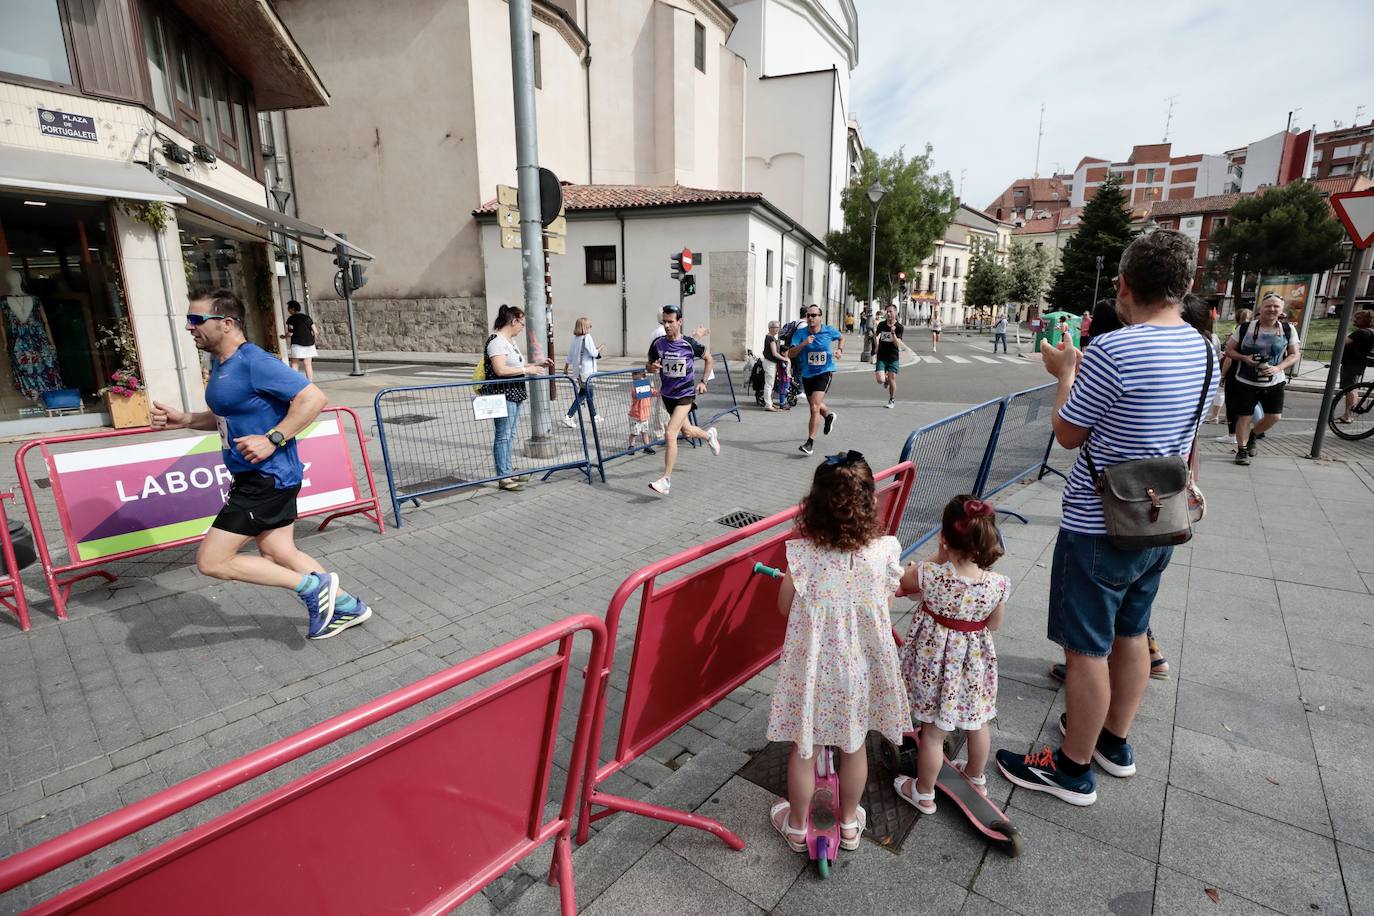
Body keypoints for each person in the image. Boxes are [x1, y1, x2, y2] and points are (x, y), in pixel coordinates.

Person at [995, 230, 1216, 806]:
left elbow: (1068, 433)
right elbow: (1187, 433)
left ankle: (1070, 770)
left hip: (1100, 522)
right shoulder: (1206, 350)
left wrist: (1064, 369)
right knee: (1134, 631)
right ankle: (1113, 742)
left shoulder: (1114, 351)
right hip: (1160, 517)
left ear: (1122, 284)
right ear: (1186, 286)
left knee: (1086, 650)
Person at [150, 288, 370, 641]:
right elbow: (226, 416)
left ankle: (313, 590)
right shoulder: (221, 364)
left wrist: (273, 439)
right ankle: (347, 607)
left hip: (267, 477)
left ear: (226, 323)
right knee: (278, 550)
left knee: (213, 561)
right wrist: (185, 419)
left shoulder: (254, 361)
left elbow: (313, 397)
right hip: (260, 476)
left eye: (196, 320)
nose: (190, 327)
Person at [767, 451, 910, 853]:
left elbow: (783, 607)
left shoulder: (803, 555)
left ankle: (796, 827)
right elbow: (887, 599)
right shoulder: (884, 551)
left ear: (815, 506)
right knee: (854, 745)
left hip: (813, 671)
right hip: (861, 668)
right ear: (869, 503)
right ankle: (848, 825)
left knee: (804, 748)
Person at [894, 496, 1007, 813]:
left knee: (932, 732)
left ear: (944, 538)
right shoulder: (997, 584)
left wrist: (938, 554)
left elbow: (903, 580)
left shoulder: (930, 573)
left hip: (934, 667)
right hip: (972, 667)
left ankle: (923, 791)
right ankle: (975, 776)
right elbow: (995, 623)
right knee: (977, 721)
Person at [646, 305, 719, 495]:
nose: (667, 325)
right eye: (665, 322)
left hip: (685, 395)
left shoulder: (689, 344)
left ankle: (666, 480)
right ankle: (709, 435)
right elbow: (649, 363)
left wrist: (703, 381)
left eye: (671, 322)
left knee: (670, 434)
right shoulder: (658, 344)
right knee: (687, 431)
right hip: (668, 395)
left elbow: (709, 359)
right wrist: (651, 367)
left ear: (680, 322)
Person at [1225, 292, 1301, 465]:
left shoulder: (1288, 329)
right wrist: (1244, 358)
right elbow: (1229, 350)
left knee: (1274, 416)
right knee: (1244, 416)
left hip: (1274, 380)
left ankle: (1253, 435)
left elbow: (1295, 354)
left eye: (1276, 306)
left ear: (1281, 310)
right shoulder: (1245, 328)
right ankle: (1242, 450)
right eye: (1268, 305)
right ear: (1261, 308)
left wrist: (1278, 368)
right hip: (1245, 380)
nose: (1272, 309)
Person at [483, 305, 551, 492]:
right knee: (503, 435)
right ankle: (503, 476)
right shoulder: (497, 342)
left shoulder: (509, 342)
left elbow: (517, 365)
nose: (522, 327)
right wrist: (525, 370)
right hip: (502, 394)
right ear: (513, 321)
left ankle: (507, 470)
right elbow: (500, 369)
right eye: (521, 323)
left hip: (514, 393)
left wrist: (536, 364)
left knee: (509, 435)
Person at [786, 305, 843, 455]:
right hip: (807, 374)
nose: (810, 318)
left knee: (814, 407)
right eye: (808, 315)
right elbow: (790, 354)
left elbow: (841, 337)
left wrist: (839, 349)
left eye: (813, 315)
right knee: (814, 404)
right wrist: (804, 343)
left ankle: (810, 443)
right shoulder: (801, 333)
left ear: (820, 317)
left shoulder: (828, 330)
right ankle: (828, 416)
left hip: (825, 371)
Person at [1215, 307, 1252, 447]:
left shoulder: (1238, 332)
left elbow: (1229, 358)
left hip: (1234, 372)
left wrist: (1223, 375)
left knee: (1231, 405)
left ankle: (1232, 435)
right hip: (1246, 373)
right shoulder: (1253, 332)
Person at [561, 316, 602, 429]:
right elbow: (593, 353)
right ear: (585, 327)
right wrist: (599, 349)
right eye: (589, 325)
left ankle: (594, 415)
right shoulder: (587, 337)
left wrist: (565, 368)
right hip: (587, 372)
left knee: (589, 393)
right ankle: (569, 416)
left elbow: (570, 356)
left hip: (579, 371)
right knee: (583, 394)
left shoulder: (576, 339)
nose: (591, 327)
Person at [1337, 310, 1374, 424]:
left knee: (1350, 389)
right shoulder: (1371, 332)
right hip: (1359, 363)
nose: (1354, 320)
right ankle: (1350, 413)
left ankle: (1348, 415)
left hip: (1351, 363)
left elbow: (1342, 342)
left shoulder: (1361, 333)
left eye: (1358, 318)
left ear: (1365, 320)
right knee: (1353, 388)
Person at [872, 304, 904, 408]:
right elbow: (876, 336)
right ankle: (885, 380)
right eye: (887, 312)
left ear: (895, 313)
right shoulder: (881, 325)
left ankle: (892, 399)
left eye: (890, 312)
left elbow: (897, 344)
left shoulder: (899, 327)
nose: (888, 313)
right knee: (880, 380)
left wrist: (893, 333)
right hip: (881, 355)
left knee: (892, 379)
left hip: (893, 357)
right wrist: (876, 347)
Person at [282, 301, 317, 382]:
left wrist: (284, 336)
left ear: (292, 309)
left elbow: (290, 333)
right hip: (309, 344)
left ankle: (295, 383)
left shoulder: (291, 319)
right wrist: (313, 340)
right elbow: (315, 331)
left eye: (289, 309)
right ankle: (310, 383)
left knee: (295, 364)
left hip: (297, 344)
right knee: (308, 364)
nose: (288, 310)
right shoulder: (307, 318)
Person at [626, 369, 655, 455]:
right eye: (635, 380)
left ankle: (647, 446)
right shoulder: (635, 389)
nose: (636, 382)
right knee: (634, 433)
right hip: (635, 415)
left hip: (645, 415)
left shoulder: (647, 387)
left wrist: (652, 388)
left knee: (645, 432)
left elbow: (654, 392)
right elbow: (635, 394)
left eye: (639, 380)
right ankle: (631, 447)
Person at [762, 321, 786, 412]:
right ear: (770, 328)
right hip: (770, 363)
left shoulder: (769, 337)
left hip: (769, 363)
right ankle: (768, 405)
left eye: (778, 327)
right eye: (775, 327)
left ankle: (770, 403)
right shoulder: (771, 338)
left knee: (770, 384)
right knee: (769, 384)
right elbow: (774, 353)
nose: (777, 329)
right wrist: (784, 359)